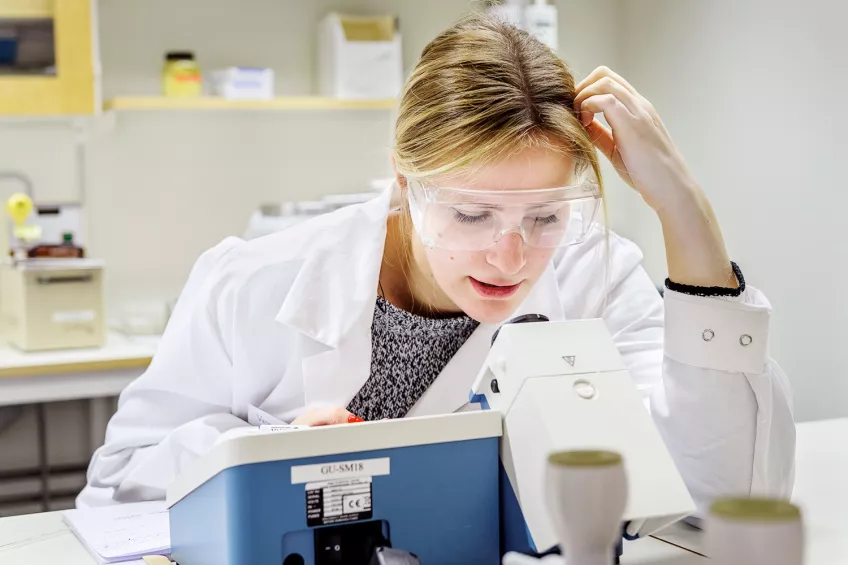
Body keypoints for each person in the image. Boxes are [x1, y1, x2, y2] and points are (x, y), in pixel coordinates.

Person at [78, 14, 795, 515]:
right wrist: (262, 458)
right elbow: (117, 483)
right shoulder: (250, 281)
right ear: (403, 176)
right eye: (471, 213)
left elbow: (732, 489)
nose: (510, 256)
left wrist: (686, 209)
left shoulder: (594, 274)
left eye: (545, 216)